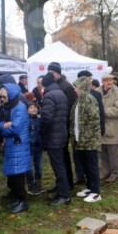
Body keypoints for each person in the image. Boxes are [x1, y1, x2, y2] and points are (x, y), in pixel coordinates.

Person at [0, 83, 31, 213]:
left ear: (11, 95)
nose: (1, 99)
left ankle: (23, 202)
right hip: (11, 146)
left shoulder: (20, 108)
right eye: (0, 96)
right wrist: (3, 125)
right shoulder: (5, 108)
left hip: (18, 146)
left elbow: (15, 129)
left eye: (4, 97)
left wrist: (3, 129)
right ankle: (17, 198)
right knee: (13, 175)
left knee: (18, 176)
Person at [40, 73, 71, 206]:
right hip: (61, 133)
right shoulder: (60, 93)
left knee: (58, 166)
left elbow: (47, 118)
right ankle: (62, 191)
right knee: (60, 165)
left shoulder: (49, 95)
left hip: (54, 136)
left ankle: (64, 196)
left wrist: (42, 132)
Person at [72, 77, 102, 202]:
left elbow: (94, 121)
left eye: (77, 87)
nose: (75, 89)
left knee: (92, 166)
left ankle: (96, 193)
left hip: (89, 140)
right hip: (81, 139)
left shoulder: (90, 100)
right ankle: (89, 188)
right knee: (85, 165)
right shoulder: (80, 100)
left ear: (83, 87)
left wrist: (86, 137)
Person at [48, 62, 77, 188]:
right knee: (59, 158)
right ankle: (61, 182)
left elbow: (71, 108)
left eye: (51, 73)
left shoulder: (66, 87)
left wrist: (66, 125)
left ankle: (68, 182)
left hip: (63, 126)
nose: (49, 75)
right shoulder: (55, 85)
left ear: (57, 73)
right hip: (57, 127)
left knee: (63, 156)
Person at [98, 74, 118, 183]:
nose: (109, 82)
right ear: (102, 81)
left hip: (112, 127)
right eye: (106, 80)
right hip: (100, 127)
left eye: (110, 80)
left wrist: (102, 111)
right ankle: (105, 172)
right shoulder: (97, 92)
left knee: (113, 152)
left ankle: (115, 173)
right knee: (102, 152)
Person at [26, 101, 44, 195]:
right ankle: (30, 184)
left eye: (35, 107)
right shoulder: (26, 121)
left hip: (39, 147)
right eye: (31, 107)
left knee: (39, 167)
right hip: (30, 147)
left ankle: (38, 183)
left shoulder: (39, 120)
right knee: (30, 168)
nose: (34, 109)